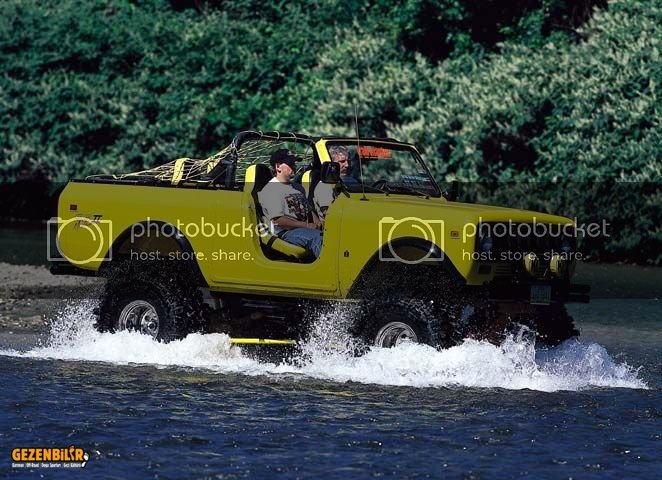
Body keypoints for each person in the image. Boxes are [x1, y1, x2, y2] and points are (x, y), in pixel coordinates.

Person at [258, 149, 323, 258]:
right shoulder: (271, 190)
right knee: (317, 238)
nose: (294, 166)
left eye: (294, 163)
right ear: (278, 167)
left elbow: (309, 209)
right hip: (285, 233)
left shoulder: (297, 187)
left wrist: (317, 222)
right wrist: (307, 226)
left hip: (304, 229)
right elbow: (279, 221)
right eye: (290, 164)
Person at [313, 145, 358, 221]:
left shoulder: (352, 181)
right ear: (332, 164)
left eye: (348, 161)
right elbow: (330, 215)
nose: (347, 165)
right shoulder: (324, 186)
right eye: (342, 161)